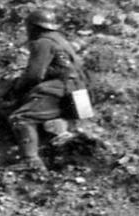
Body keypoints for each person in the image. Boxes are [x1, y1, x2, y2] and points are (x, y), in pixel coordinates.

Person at [8, 9, 87, 171]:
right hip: (77, 88)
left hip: (62, 87)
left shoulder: (43, 42)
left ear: (34, 27)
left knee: (21, 118)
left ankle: (30, 161)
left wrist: (16, 89)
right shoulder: (60, 40)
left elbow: (34, 75)